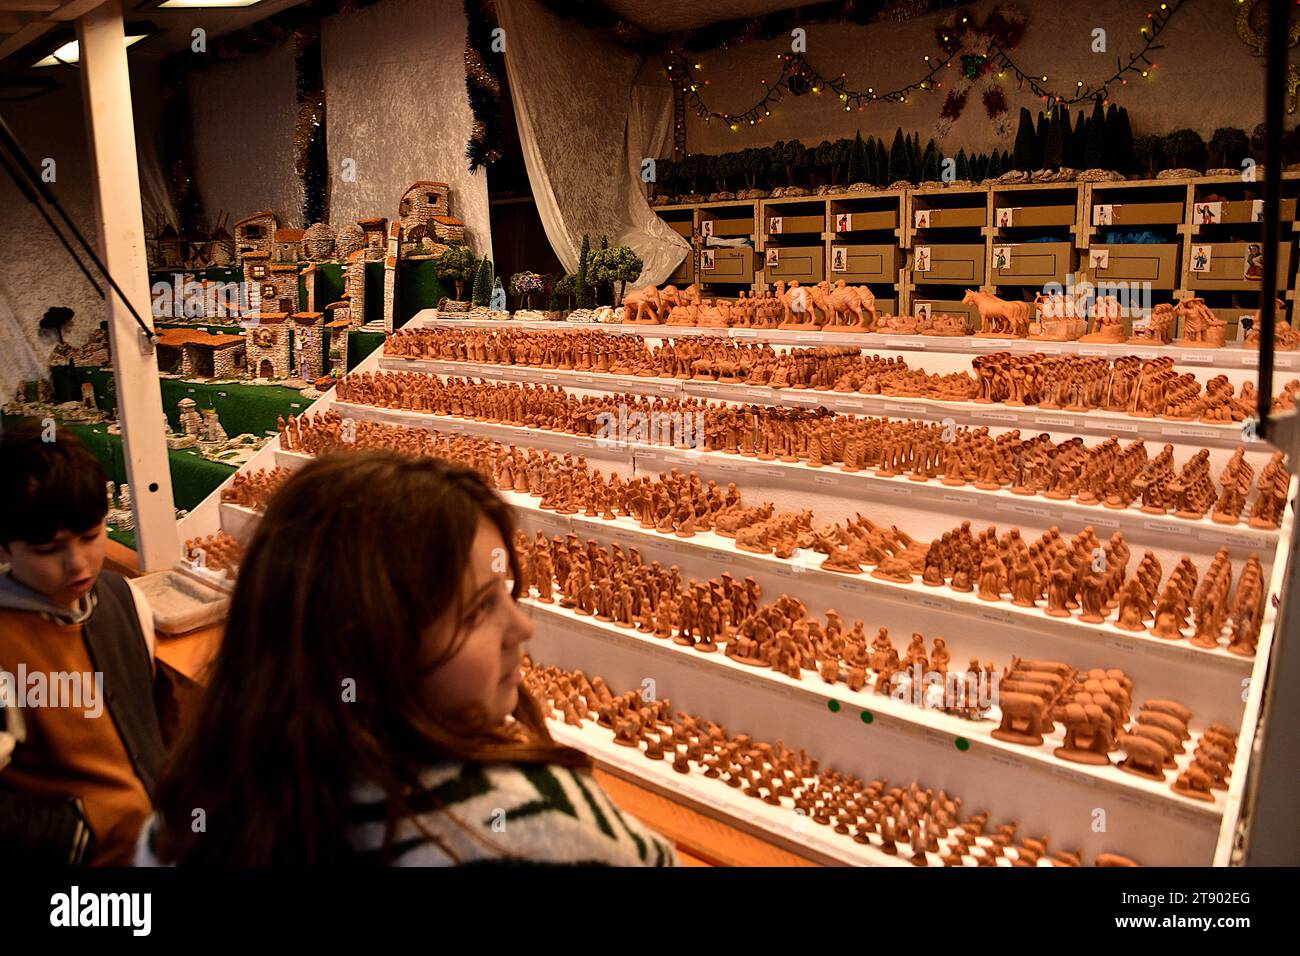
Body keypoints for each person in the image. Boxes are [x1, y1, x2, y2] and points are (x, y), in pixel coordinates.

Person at [137, 452, 676, 866]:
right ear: (370, 644)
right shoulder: (545, 826)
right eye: (481, 608)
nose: (523, 627)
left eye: (507, 594)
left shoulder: (193, 812)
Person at [0, 424, 166, 865]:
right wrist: (81, 831)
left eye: (92, 537)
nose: (78, 563)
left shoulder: (124, 600)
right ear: (5, 548)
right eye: (50, 549)